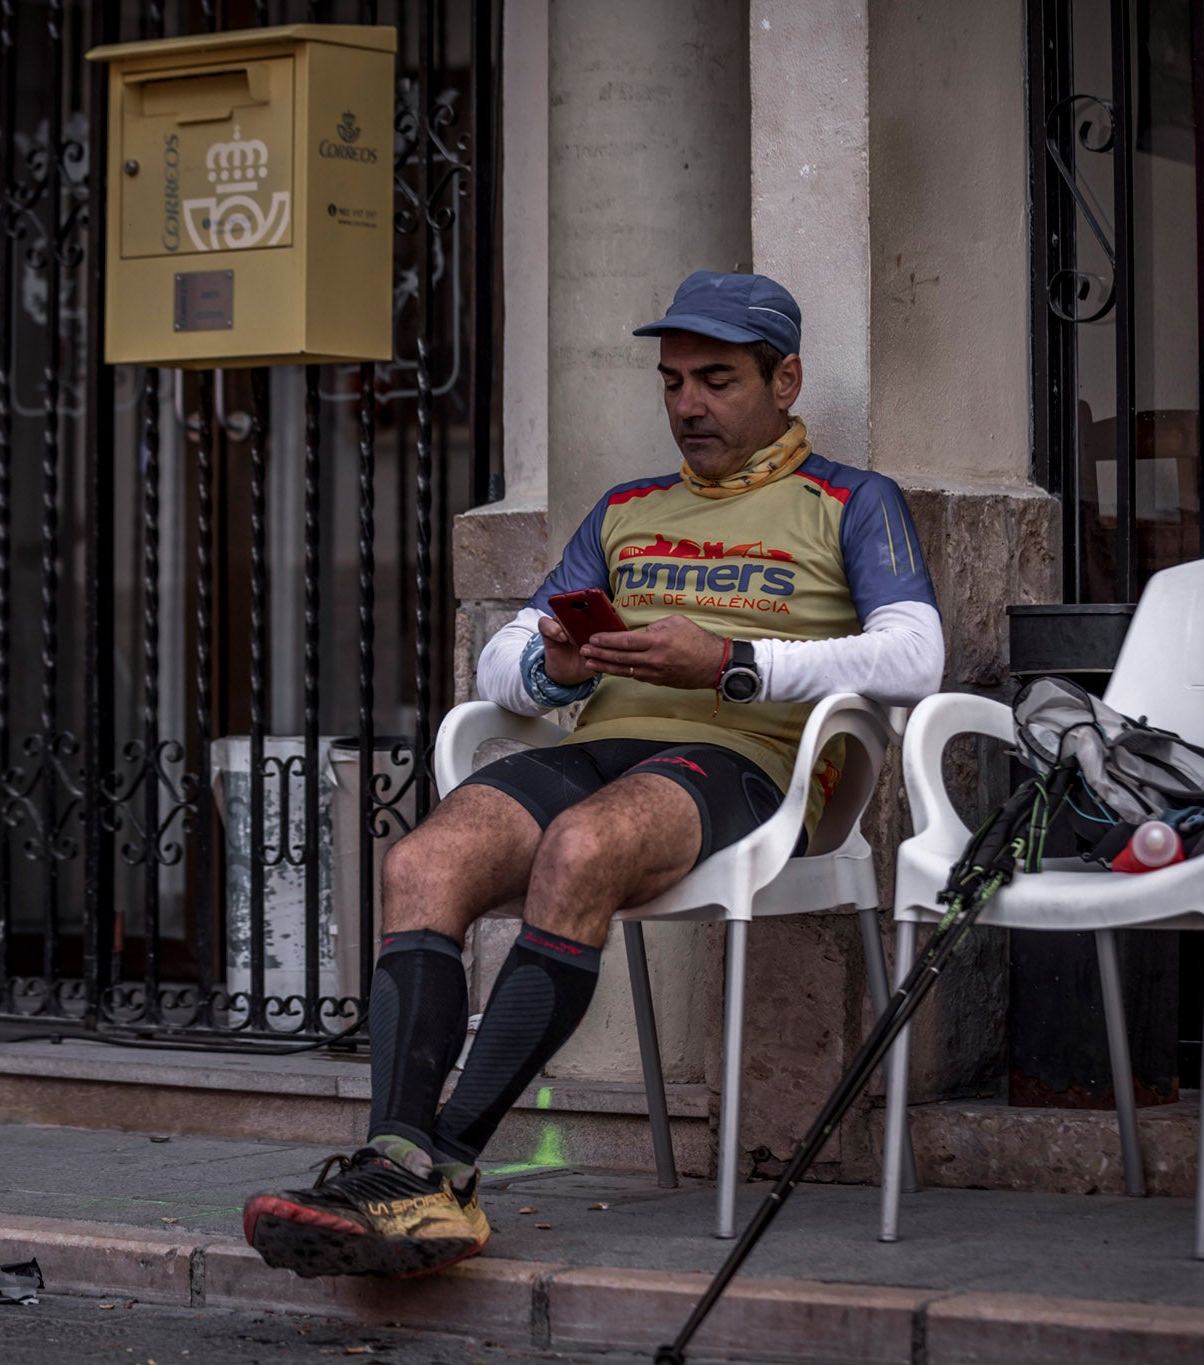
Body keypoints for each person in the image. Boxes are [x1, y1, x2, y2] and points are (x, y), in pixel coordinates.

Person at [242, 270, 945, 1278]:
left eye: (714, 380)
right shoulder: (624, 509)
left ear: (782, 379)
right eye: (670, 383)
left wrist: (736, 664)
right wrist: (549, 665)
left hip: (752, 765)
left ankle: (439, 1172)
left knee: (582, 848)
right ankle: (398, 1160)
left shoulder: (847, 501)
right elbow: (501, 660)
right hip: (601, 747)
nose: (686, 406)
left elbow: (914, 654)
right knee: (420, 863)